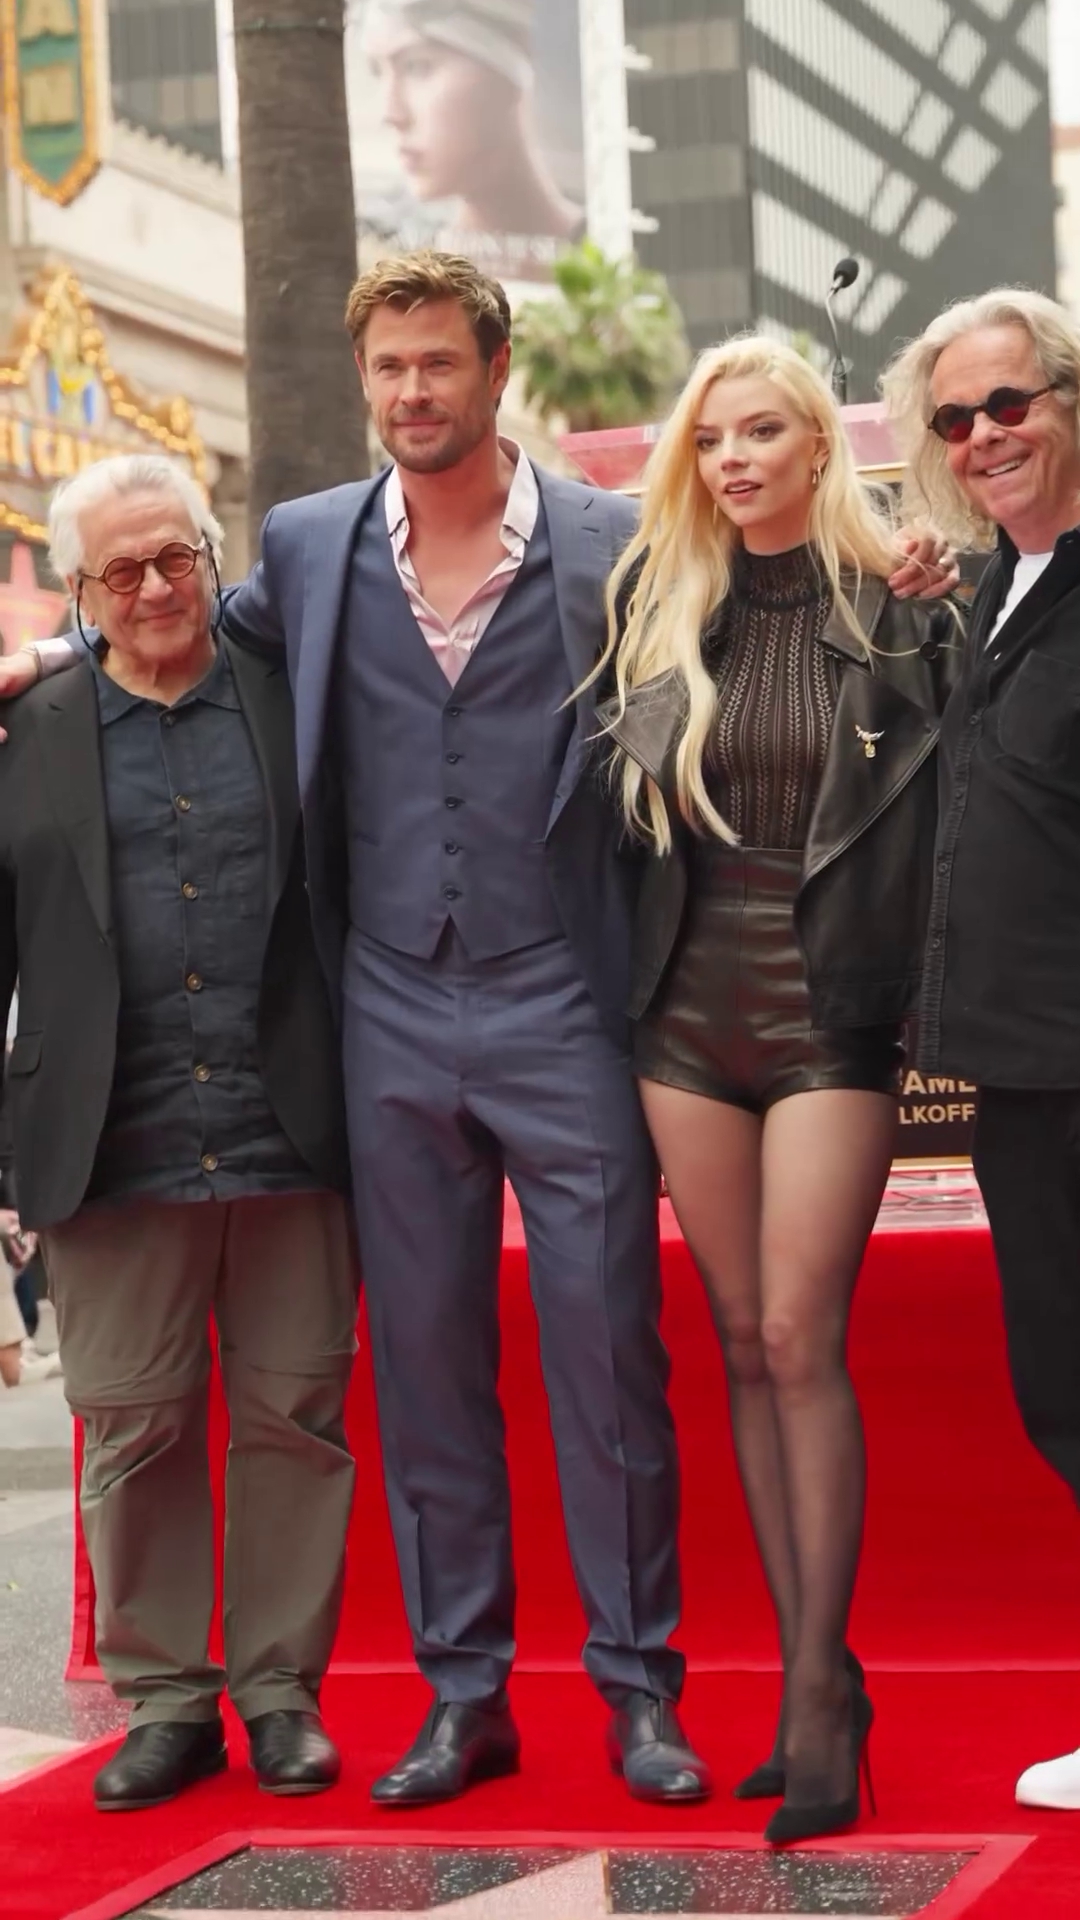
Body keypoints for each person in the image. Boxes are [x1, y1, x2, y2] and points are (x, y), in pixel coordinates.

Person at [2, 251, 956, 1808]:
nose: (410, 394)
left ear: (496, 369)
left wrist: (912, 567)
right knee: (429, 1370)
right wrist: (43, 659)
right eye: (388, 369)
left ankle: (641, 1696)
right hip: (382, 1009)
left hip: (571, 1001)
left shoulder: (618, 540)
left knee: (611, 1363)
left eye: (439, 364)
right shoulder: (305, 549)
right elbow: (164, 629)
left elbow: (773, 603)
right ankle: (465, 1696)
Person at [594, 336, 959, 1844]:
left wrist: (943, 575)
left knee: (805, 1330)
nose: (735, 456)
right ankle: (815, 1674)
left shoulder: (905, 616)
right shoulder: (657, 610)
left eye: (763, 431)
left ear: (819, 446)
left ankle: (819, 1686)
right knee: (741, 1337)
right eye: (714, 438)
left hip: (836, 1012)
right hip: (685, 1014)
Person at [0, 454, 359, 1811]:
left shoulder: (294, 703)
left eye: (177, 559)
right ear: (83, 592)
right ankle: (166, 1700)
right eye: (122, 570)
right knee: (134, 1428)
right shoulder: (26, 733)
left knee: (293, 1419)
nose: (156, 588)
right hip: (108, 1142)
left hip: (292, 1130)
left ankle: (278, 1696)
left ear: (212, 559)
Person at [882, 289, 1080, 1814]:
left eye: (1009, 403)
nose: (983, 436)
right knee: (1060, 1389)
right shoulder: (997, 596)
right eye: (954, 419)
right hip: (1019, 1063)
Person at [361, 0, 584, 240]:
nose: (391, 114)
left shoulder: (608, 249)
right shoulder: (392, 242)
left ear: (510, 73)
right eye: (377, 72)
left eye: (417, 66)